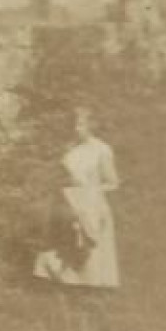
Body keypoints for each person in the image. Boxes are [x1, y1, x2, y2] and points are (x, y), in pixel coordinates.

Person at [33, 108, 121, 288]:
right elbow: (62, 174)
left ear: (92, 126)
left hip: (90, 203)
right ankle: (62, 283)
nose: (75, 129)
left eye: (80, 124)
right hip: (67, 200)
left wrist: (90, 190)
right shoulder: (72, 149)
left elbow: (113, 182)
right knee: (60, 244)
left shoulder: (101, 150)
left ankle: (89, 289)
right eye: (74, 124)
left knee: (87, 248)